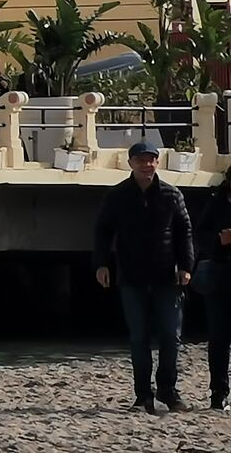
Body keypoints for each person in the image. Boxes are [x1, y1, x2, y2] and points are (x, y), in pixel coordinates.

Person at [94, 138, 196, 413]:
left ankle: (168, 390)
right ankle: (143, 395)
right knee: (139, 338)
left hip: (167, 276)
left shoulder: (171, 195)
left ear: (157, 162)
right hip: (132, 276)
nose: (146, 165)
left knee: (171, 337)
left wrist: (186, 266)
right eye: (141, 160)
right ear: (130, 163)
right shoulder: (117, 196)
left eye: (151, 159)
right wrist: (102, 263)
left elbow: (184, 231)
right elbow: (103, 230)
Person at [194, 164, 231, 409]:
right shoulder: (217, 202)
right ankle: (218, 392)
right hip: (221, 275)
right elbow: (200, 235)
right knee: (219, 338)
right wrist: (219, 239)